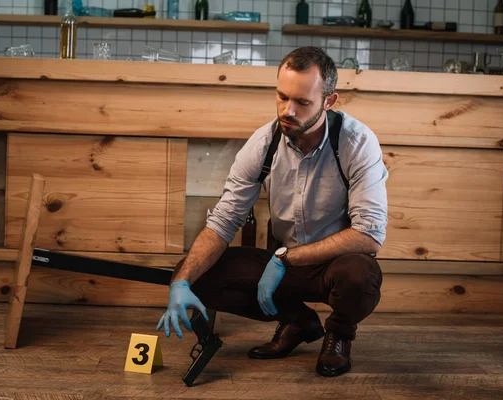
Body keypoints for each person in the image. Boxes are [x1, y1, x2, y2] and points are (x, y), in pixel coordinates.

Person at [156, 46, 388, 377]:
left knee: (360, 278)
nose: (288, 110)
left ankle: (338, 333)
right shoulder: (264, 143)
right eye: (282, 97)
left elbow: (370, 234)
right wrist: (180, 283)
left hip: (333, 263)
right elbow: (223, 222)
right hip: (281, 262)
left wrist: (285, 259)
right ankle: (298, 322)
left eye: (302, 102)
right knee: (195, 272)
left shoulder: (357, 143)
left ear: (329, 101)